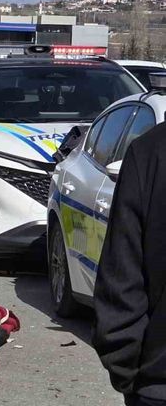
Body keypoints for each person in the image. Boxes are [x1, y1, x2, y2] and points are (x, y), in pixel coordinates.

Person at [94, 122, 166, 406]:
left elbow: (121, 273)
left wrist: (127, 369)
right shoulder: (150, 152)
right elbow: (123, 271)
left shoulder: (151, 151)